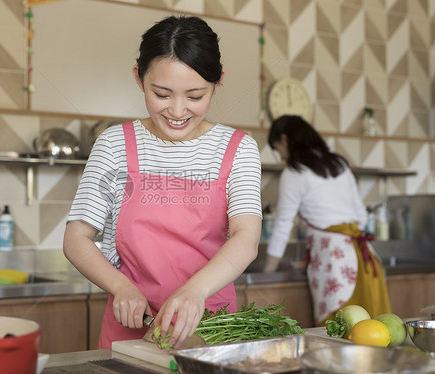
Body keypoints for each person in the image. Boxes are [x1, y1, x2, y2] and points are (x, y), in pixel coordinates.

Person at [63, 15, 262, 349]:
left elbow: (246, 238)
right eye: (162, 94)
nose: (178, 110)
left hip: (211, 325)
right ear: (139, 79)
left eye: (195, 96)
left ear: (217, 83)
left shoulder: (238, 148)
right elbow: (76, 238)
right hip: (131, 323)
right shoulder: (114, 144)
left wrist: (195, 292)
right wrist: (121, 287)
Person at [263, 115, 391, 326]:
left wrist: (268, 270)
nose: (282, 157)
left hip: (334, 261)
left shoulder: (294, 172)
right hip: (365, 257)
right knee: (373, 332)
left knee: (340, 334)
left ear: (285, 140)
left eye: (278, 150)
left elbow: (283, 224)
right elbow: (361, 217)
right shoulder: (338, 163)